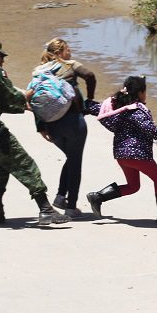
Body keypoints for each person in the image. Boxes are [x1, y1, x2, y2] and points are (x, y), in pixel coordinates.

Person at [0, 40, 70, 225]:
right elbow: (13, 96)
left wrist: (23, 107)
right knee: (25, 164)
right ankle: (45, 209)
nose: (3, 60)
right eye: (0, 56)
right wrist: (34, 90)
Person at [86, 75, 157, 225]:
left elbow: (97, 108)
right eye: (145, 91)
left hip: (121, 155)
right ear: (140, 93)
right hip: (136, 154)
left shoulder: (119, 107)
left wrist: (82, 106)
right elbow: (147, 126)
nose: (146, 94)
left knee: (133, 186)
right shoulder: (135, 110)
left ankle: (97, 197)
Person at [29, 37, 97, 217]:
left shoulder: (38, 71)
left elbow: (37, 100)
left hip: (51, 124)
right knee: (75, 162)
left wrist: (40, 126)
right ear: (59, 52)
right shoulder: (70, 65)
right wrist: (89, 100)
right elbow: (90, 75)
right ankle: (71, 207)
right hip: (73, 121)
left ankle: (60, 196)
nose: (70, 53)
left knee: (71, 157)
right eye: (68, 49)